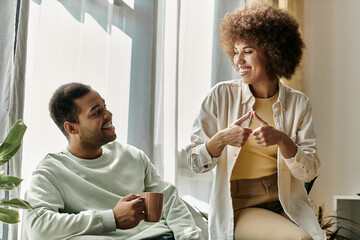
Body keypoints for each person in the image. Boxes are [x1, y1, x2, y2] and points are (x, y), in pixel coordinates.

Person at [186, 3, 325, 240]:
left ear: (273, 52)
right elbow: (194, 161)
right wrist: (221, 139)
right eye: (236, 51)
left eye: (247, 51)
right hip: (241, 205)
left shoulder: (299, 104)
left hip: (285, 202)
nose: (238, 59)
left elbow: (308, 171)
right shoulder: (220, 96)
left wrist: (282, 140)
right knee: (302, 239)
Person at [25, 83, 203, 240]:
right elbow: (38, 226)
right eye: (96, 112)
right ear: (71, 127)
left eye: (105, 106)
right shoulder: (51, 171)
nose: (108, 114)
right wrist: (112, 218)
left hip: (165, 235)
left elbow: (169, 200)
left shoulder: (132, 156)